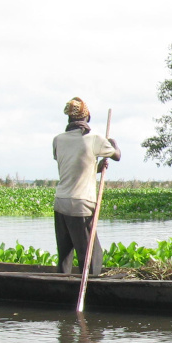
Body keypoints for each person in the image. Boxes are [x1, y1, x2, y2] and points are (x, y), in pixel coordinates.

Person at [53, 97, 120, 275]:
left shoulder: (58, 140)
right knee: (91, 255)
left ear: (69, 118)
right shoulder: (94, 139)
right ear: (87, 117)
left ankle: (61, 284)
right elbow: (117, 156)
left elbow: (73, 166)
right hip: (81, 204)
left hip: (60, 202)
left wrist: (96, 168)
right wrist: (112, 143)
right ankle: (91, 286)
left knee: (64, 255)